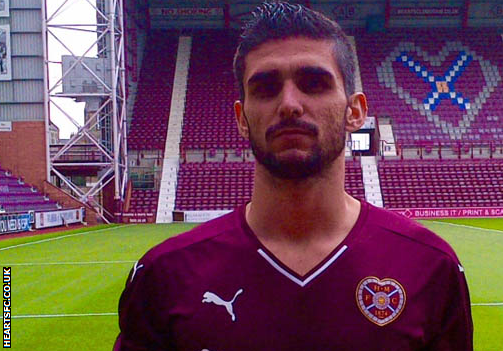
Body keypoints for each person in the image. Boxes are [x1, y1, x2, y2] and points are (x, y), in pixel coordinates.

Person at [114, 2, 473, 350]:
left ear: (355, 111)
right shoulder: (165, 275)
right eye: (266, 88)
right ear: (241, 118)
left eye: (314, 83)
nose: (289, 104)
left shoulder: (431, 268)